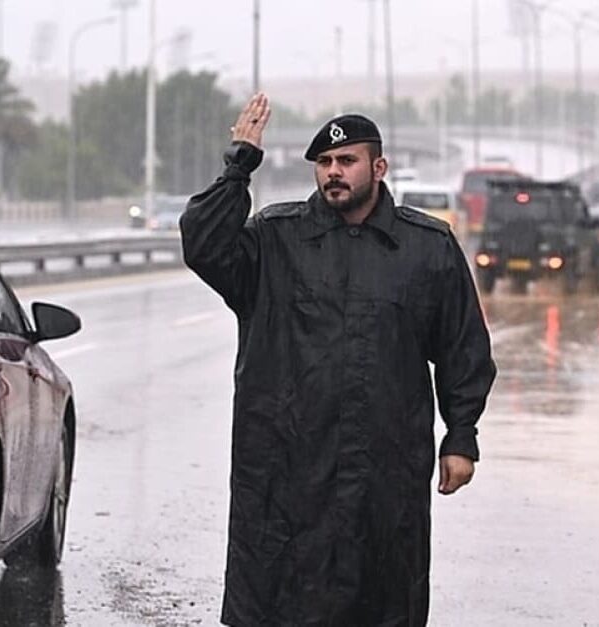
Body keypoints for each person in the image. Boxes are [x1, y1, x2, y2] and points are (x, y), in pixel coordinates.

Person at [180, 93, 497, 627]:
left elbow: (463, 346)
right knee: (276, 607)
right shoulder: (273, 241)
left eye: (346, 161)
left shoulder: (427, 247)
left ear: (378, 167)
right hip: (285, 476)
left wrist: (461, 435)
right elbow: (204, 245)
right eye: (324, 163)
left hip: (384, 474)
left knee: (383, 605)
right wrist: (240, 164)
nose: (333, 173)